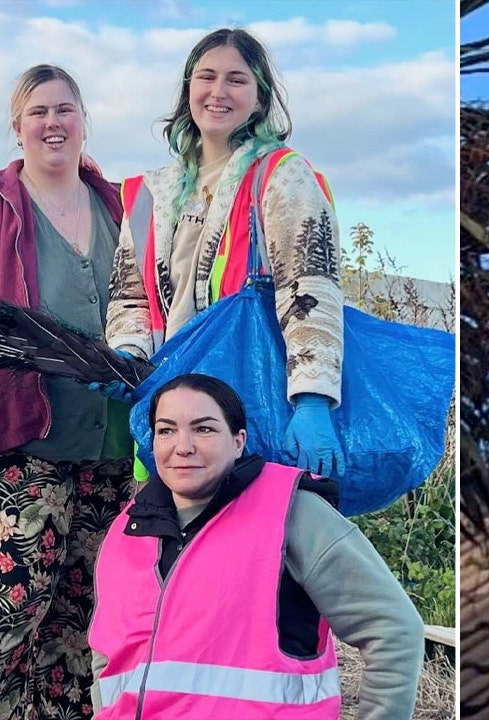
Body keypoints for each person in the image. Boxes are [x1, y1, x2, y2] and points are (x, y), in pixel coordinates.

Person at [0, 64, 133, 720]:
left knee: (77, 613)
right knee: (11, 605)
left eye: (65, 110)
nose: (53, 123)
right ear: (17, 128)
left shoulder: (116, 208)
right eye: (38, 111)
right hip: (16, 441)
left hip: (106, 443)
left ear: (83, 121)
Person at [88, 373, 423, 719]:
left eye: (203, 429)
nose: (182, 446)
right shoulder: (127, 530)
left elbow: (394, 630)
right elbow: (108, 655)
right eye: (166, 430)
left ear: (238, 441)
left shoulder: (293, 513)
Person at [105, 27, 345, 477]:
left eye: (236, 79)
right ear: (188, 91)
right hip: (168, 411)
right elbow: (130, 298)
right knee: (171, 541)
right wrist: (128, 355)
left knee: (249, 541)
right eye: (206, 77)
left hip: (251, 410)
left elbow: (311, 286)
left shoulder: (282, 177)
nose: (218, 91)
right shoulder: (146, 195)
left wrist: (313, 399)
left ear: (259, 98)